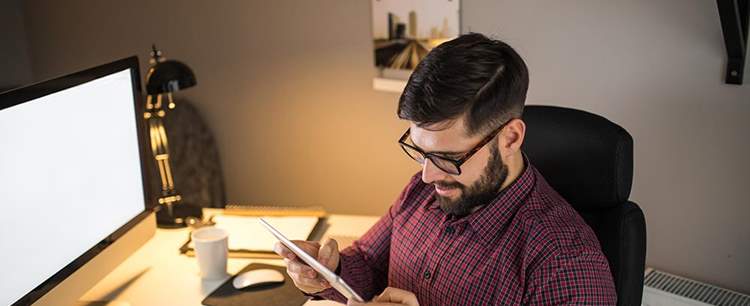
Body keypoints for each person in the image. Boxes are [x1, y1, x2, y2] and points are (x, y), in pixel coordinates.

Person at [274, 33, 617, 306]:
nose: (427, 175)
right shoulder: (422, 191)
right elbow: (368, 263)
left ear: (510, 138)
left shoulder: (566, 263)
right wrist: (329, 271)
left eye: (448, 158)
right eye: (421, 152)